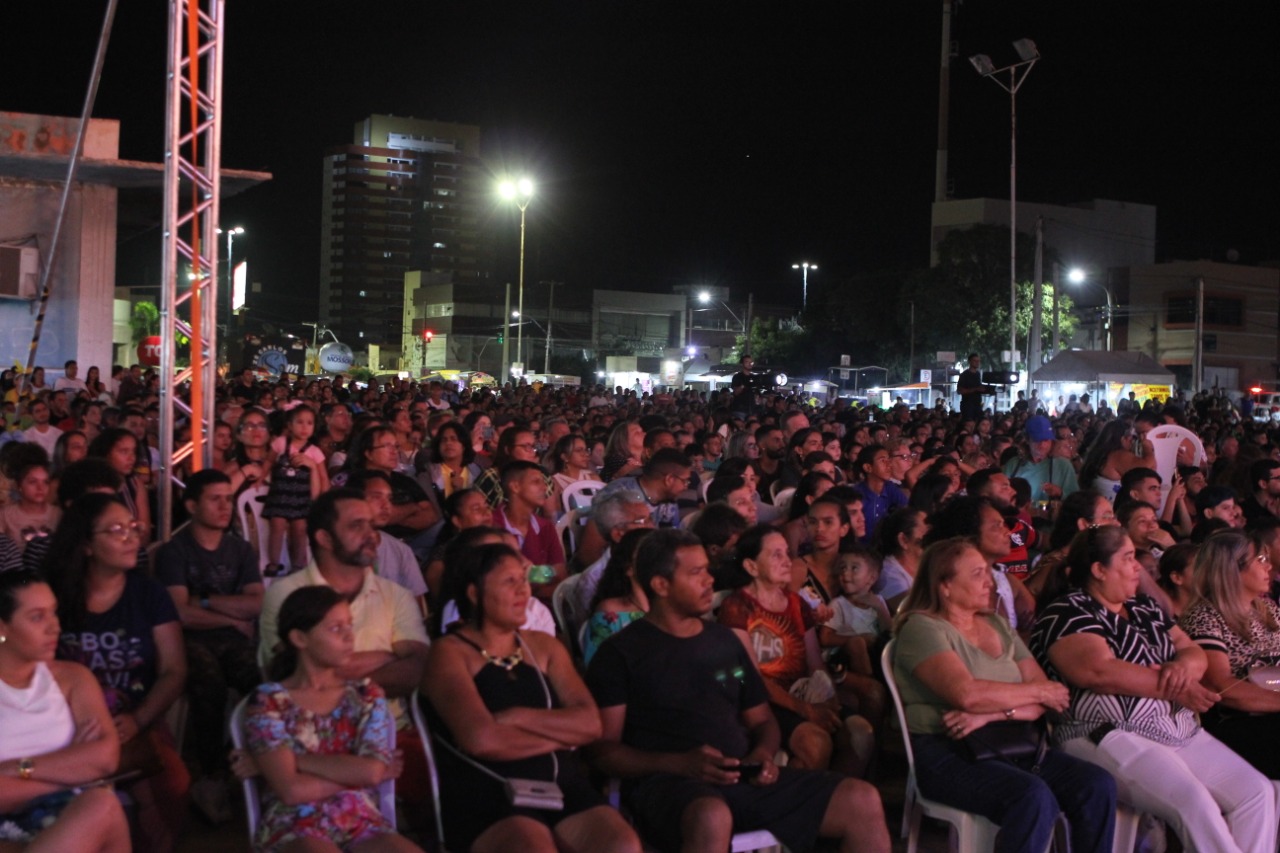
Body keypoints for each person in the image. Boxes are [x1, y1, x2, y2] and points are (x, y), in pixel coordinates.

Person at [586, 528, 890, 853]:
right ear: (661, 585)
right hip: (669, 783)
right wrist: (679, 764)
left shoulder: (724, 644)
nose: (709, 580)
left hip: (741, 775)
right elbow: (603, 751)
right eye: (696, 573)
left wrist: (762, 755)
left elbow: (760, 718)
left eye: (707, 569)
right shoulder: (621, 654)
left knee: (861, 799)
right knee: (711, 815)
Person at [1031, 525, 1278, 853]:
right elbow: (1097, 671)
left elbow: (1193, 652)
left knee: (1256, 791)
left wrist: (1181, 668)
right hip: (1106, 732)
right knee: (1194, 803)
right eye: (1129, 558)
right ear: (1099, 569)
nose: (1138, 567)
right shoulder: (1068, 611)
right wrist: (1176, 689)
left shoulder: (1144, 609)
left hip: (1176, 727)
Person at [890, 537, 1118, 853]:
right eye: (977, 574)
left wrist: (992, 713)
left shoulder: (996, 624)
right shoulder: (922, 628)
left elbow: (1050, 700)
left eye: (988, 572)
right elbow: (967, 695)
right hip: (948, 751)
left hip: (1015, 741)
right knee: (1032, 797)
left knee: (1096, 785)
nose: (990, 581)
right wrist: (1035, 693)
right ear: (945, 586)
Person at [419, 542, 641, 853]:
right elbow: (481, 740)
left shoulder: (544, 647)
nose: (523, 591)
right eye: (510, 582)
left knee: (623, 844)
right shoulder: (450, 653)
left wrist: (516, 718)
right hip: (490, 790)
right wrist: (563, 738)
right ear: (474, 593)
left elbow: (591, 725)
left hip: (560, 784)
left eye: (524, 580)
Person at [45, 493, 189, 852]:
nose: (131, 538)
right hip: (67, 726)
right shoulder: (55, 597)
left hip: (136, 722)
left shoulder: (148, 594)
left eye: (133, 527)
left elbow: (174, 670)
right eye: (116, 530)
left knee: (172, 784)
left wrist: (138, 719)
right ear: (87, 546)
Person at [232, 585, 423, 853]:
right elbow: (291, 791)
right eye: (335, 628)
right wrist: (360, 775)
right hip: (294, 822)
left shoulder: (366, 695)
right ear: (300, 638)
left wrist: (293, 761)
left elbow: (372, 770)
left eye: (350, 625)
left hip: (361, 820)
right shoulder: (269, 701)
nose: (349, 636)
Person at [153, 469, 263, 820]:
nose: (225, 507)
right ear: (191, 505)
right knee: (207, 683)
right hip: (189, 641)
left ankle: (264, 765)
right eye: (215, 499)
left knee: (265, 681)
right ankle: (212, 776)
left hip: (232, 640)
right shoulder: (175, 551)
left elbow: (257, 603)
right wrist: (231, 616)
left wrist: (202, 601)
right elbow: (179, 614)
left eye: (228, 499)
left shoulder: (240, 549)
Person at [719, 525, 869, 775]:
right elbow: (752, 678)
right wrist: (806, 710)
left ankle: (839, 799)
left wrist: (826, 698)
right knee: (816, 744)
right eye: (775, 554)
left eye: (787, 553)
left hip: (801, 692)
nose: (787, 561)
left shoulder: (796, 603)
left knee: (860, 734)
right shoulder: (736, 607)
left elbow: (814, 664)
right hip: (764, 702)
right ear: (751, 567)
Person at [0, 569, 128, 853]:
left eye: (53, 613)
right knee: (100, 802)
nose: (54, 627)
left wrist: (17, 768)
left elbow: (105, 758)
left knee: (102, 806)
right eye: (37, 617)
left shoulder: (73, 679)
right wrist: (74, 775)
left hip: (70, 820)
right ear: (2, 628)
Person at [1180, 530, 1280, 778]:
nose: (1269, 567)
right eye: (1261, 560)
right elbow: (1221, 687)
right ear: (1232, 569)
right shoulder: (1204, 617)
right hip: (1237, 722)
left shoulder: (1266, 609)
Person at [262, 404, 329, 574]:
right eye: (299, 422)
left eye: (309, 423)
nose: (305, 427)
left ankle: (298, 566)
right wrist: (260, 480)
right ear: (290, 425)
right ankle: (274, 562)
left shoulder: (315, 452)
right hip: (279, 496)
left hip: (301, 498)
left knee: (299, 532)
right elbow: (269, 462)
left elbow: (323, 478)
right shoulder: (280, 443)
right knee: (276, 527)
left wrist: (321, 500)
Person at [582, 528, 650, 665]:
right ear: (629, 568)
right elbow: (597, 671)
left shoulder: (675, 606)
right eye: (650, 557)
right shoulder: (611, 614)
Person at [1002, 416, 1078, 506]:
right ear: (1027, 440)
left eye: (1046, 440)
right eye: (1037, 440)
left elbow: (1076, 500)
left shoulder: (1063, 466)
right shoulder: (1013, 465)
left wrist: (1060, 493)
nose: (1042, 445)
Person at [956, 354, 993, 422]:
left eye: (978, 361)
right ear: (970, 361)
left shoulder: (978, 374)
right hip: (968, 405)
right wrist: (975, 389)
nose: (977, 363)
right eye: (975, 361)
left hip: (977, 404)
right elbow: (960, 391)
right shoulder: (964, 375)